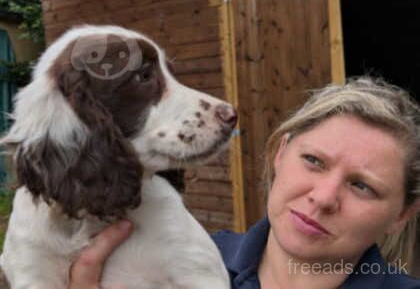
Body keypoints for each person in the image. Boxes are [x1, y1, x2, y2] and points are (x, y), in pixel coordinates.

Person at [68, 77, 420, 288]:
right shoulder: (179, 265)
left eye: (362, 186)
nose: (324, 197)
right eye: (313, 161)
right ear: (280, 154)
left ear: (401, 215)